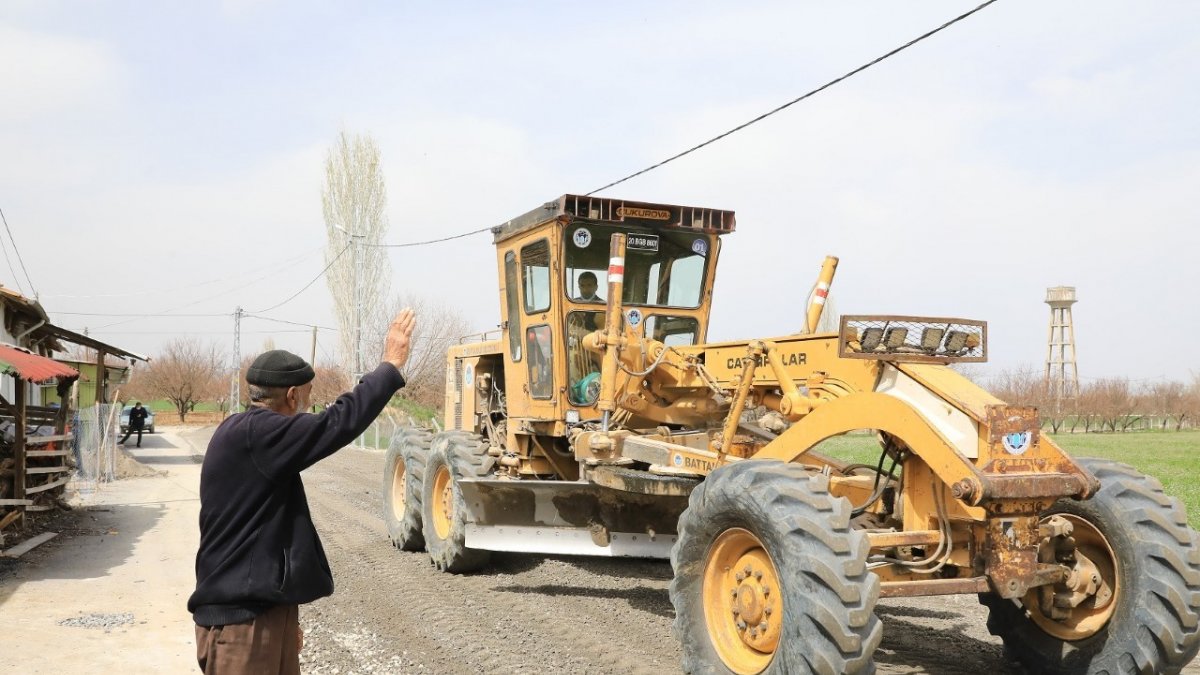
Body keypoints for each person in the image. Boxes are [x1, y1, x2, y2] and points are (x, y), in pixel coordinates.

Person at [188, 308, 416, 675]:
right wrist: (389, 365)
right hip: (241, 625)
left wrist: (283, 618)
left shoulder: (251, 435)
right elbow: (338, 422)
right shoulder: (260, 434)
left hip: (262, 613)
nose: (309, 407)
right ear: (292, 396)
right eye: (308, 398)